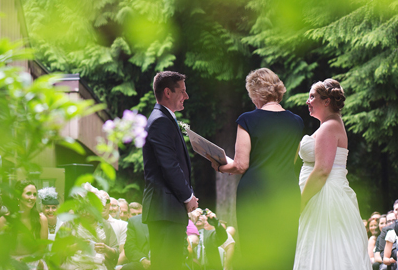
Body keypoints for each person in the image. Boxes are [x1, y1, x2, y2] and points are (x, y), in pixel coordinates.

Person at [212, 68, 303, 270]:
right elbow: (293, 159)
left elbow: (241, 164)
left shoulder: (247, 119)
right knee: (285, 250)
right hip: (286, 191)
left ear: (255, 93)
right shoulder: (297, 122)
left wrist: (220, 166)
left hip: (256, 194)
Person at [293, 79, 371, 270]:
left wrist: (300, 203)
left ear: (326, 101)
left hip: (325, 198)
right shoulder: (328, 125)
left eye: (312, 96)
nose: (307, 101)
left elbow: (321, 171)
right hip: (321, 196)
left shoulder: (329, 127)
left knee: (325, 253)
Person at [142, 71, 198, 270]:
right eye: (182, 91)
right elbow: (169, 165)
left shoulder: (164, 118)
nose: (186, 96)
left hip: (167, 210)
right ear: (168, 92)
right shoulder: (160, 121)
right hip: (164, 209)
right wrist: (188, 196)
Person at [0, 180, 48, 269]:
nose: (32, 197)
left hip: (33, 263)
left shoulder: (41, 220)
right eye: (28, 193)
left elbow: (42, 250)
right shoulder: (4, 220)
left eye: (34, 194)